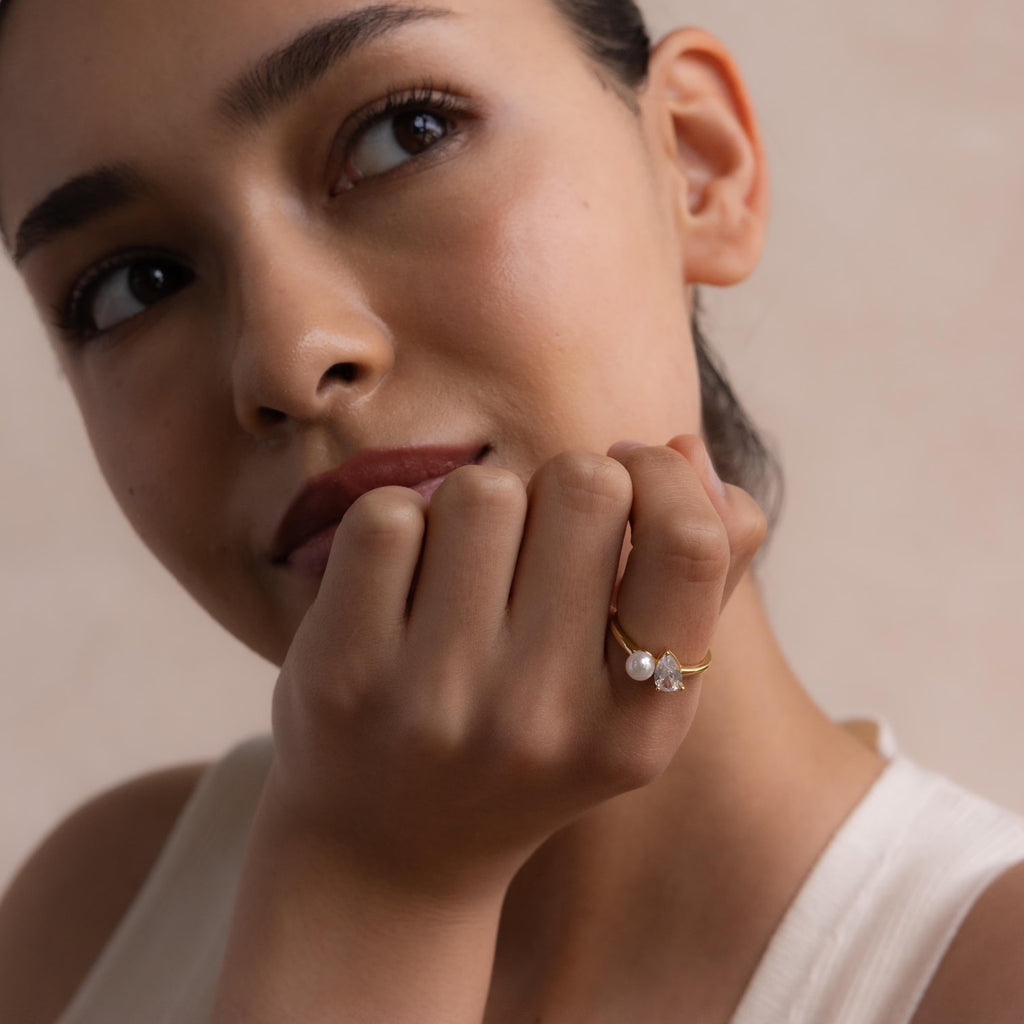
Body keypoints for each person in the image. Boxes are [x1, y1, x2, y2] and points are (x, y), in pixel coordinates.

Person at [0, 1, 1022, 1021]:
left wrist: (390, 884)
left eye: (404, 133)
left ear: (697, 166)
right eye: (132, 286)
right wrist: (375, 890)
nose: (287, 357)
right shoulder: (90, 913)